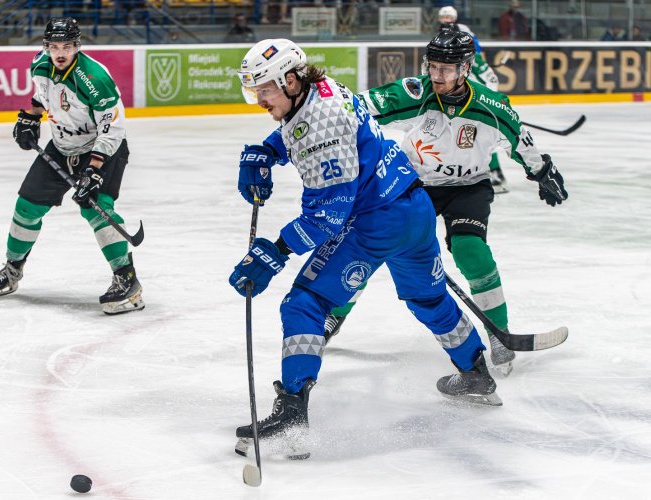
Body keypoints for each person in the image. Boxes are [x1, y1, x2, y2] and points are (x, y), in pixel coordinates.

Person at [229, 38, 502, 457]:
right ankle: (475, 373)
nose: (260, 100)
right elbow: (300, 129)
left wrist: (275, 251)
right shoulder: (323, 88)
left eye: (264, 89)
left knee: (305, 303)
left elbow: (326, 217)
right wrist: (269, 150)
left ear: (289, 79)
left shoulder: (318, 127)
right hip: (414, 208)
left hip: (375, 222)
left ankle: (291, 418)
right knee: (427, 298)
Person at [323, 27, 569, 378]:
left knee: (472, 253)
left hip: (467, 187)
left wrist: (542, 171)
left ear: (466, 69)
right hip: (412, 182)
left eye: (446, 69)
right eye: (432, 67)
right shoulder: (416, 93)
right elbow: (359, 108)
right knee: (372, 244)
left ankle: (498, 334)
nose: (436, 76)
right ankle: (336, 312)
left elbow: (520, 140)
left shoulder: (492, 107)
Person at [0, 17, 145, 315]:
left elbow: (112, 127)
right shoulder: (40, 64)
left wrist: (94, 169)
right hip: (60, 147)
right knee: (27, 207)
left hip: (101, 149)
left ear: (77, 46)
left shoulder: (93, 78)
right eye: (54, 46)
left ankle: (127, 279)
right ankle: (12, 270)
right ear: (46, 46)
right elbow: (41, 95)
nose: (60, 53)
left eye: (67, 47)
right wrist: (31, 117)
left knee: (97, 208)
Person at [437, 6, 507, 194]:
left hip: (476, 105)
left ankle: (496, 176)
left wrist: (485, 101)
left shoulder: (472, 59)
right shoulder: (446, 60)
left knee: (481, 140)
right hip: (459, 106)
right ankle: (464, 176)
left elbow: (492, 80)